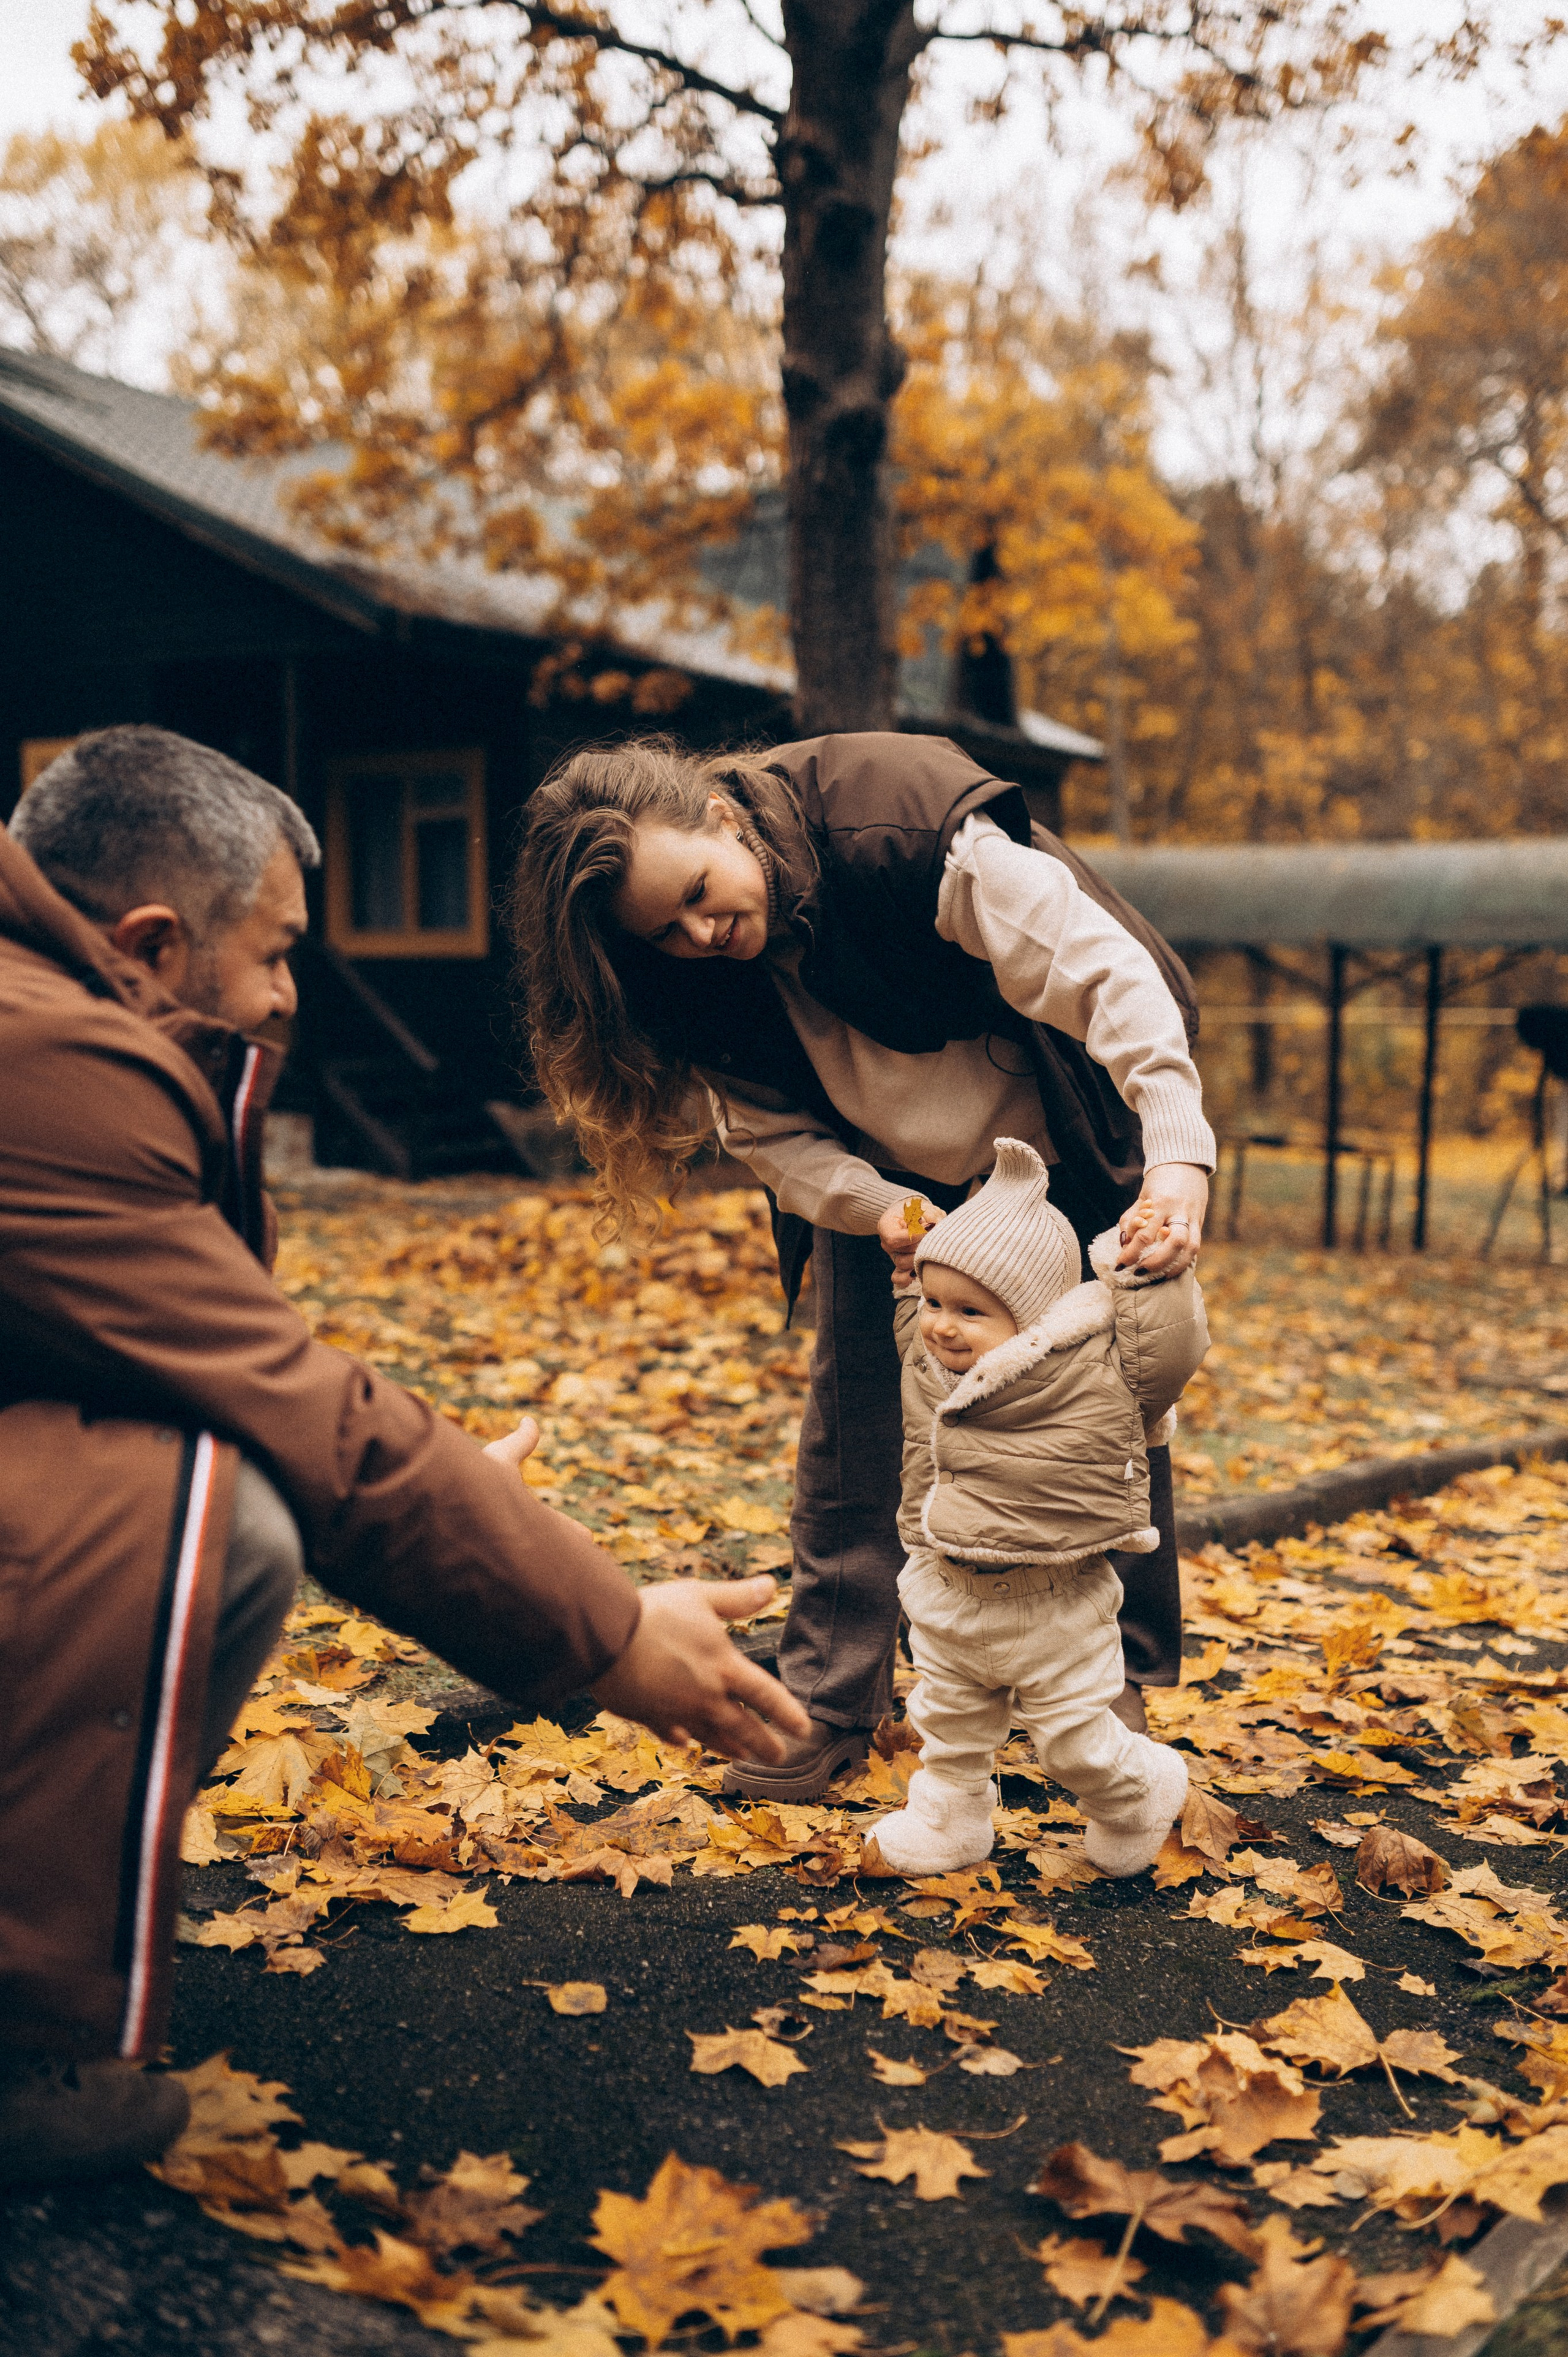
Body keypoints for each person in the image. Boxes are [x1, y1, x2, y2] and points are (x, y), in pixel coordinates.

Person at [0, 726, 808, 2192]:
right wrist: (613, 1632)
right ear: (153, 940)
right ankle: (21, 2034)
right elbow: (276, 1400)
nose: (290, 994)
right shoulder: (46, 1057)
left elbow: (208, 1346)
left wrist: (415, 1464)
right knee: (201, 1505)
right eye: (276, 954)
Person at [511, 731, 1213, 1800]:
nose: (704, 931)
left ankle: (1111, 1698)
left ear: (722, 815)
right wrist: (883, 1207)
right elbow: (773, 1137)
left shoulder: (896, 820)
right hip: (888, 1174)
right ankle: (822, 1707)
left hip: (1069, 1115)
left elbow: (1101, 970)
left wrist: (1176, 1156)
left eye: (701, 890)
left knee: (1096, 1406)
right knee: (858, 1423)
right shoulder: (679, 972)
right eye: (671, 928)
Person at [861, 1139, 1206, 1880]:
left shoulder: (1095, 1377)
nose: (941, 1325)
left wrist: (1145, 1271)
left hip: (1057, 1601)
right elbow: (910, 1317)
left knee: (1076, 1741)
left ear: (1033, 1315)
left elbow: (1169, 1350)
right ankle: (949, 1820)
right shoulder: (929, 1361)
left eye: (970, 1310)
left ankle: (1138, 1792)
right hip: (945, 1593)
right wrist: (907, 1264)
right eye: (934, 1302)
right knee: (946, 1728)